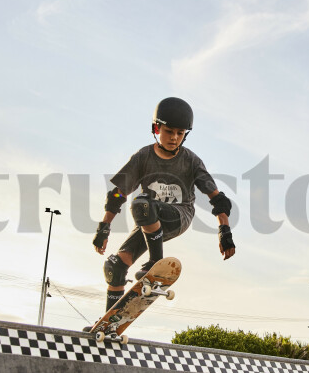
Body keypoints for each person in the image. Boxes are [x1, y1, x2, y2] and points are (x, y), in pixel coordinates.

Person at [91, 97, 236, 315]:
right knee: (114, 267)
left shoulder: (191, 161)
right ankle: (111, 322)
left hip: (178, 217)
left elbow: (217, 198)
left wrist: (224, 231)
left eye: (180, 133)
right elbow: (118, 194)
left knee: (142, 204)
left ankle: (155, 263)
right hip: (147, 222)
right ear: (157, 128)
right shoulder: (143, 157)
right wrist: (103, 228)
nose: (175, 138)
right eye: (169, 131)